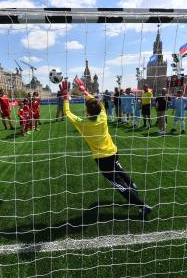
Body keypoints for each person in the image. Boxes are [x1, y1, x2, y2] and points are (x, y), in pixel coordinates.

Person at [62, 77, 153, 217]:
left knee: (119, 184)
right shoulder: (103, 116)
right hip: (113, 152)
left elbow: (68, 114)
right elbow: (97, 104)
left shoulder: (83, 124)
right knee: (121, 172)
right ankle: (133, 187)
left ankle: (142, 205)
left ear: (88, 112)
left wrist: (66, 99)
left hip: (102, 159)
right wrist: (85, 92)